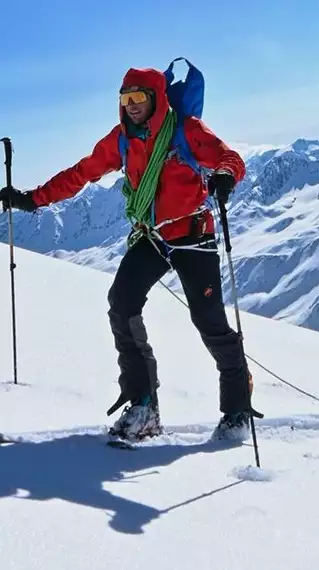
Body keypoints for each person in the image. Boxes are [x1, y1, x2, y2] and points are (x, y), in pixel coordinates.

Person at [0, 66, 256, 440]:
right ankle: (143, 403)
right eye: (125, 99)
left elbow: (228, 157)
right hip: (152, 235)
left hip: (192, 233)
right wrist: (32, 199)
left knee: (208, 321)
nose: (132, 106)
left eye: (139, 98)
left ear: (156, 98)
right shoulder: (121, 140)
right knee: (122, 303)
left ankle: (236, 405)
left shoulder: (186, 131)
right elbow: (81, 173)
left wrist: (225, 176)